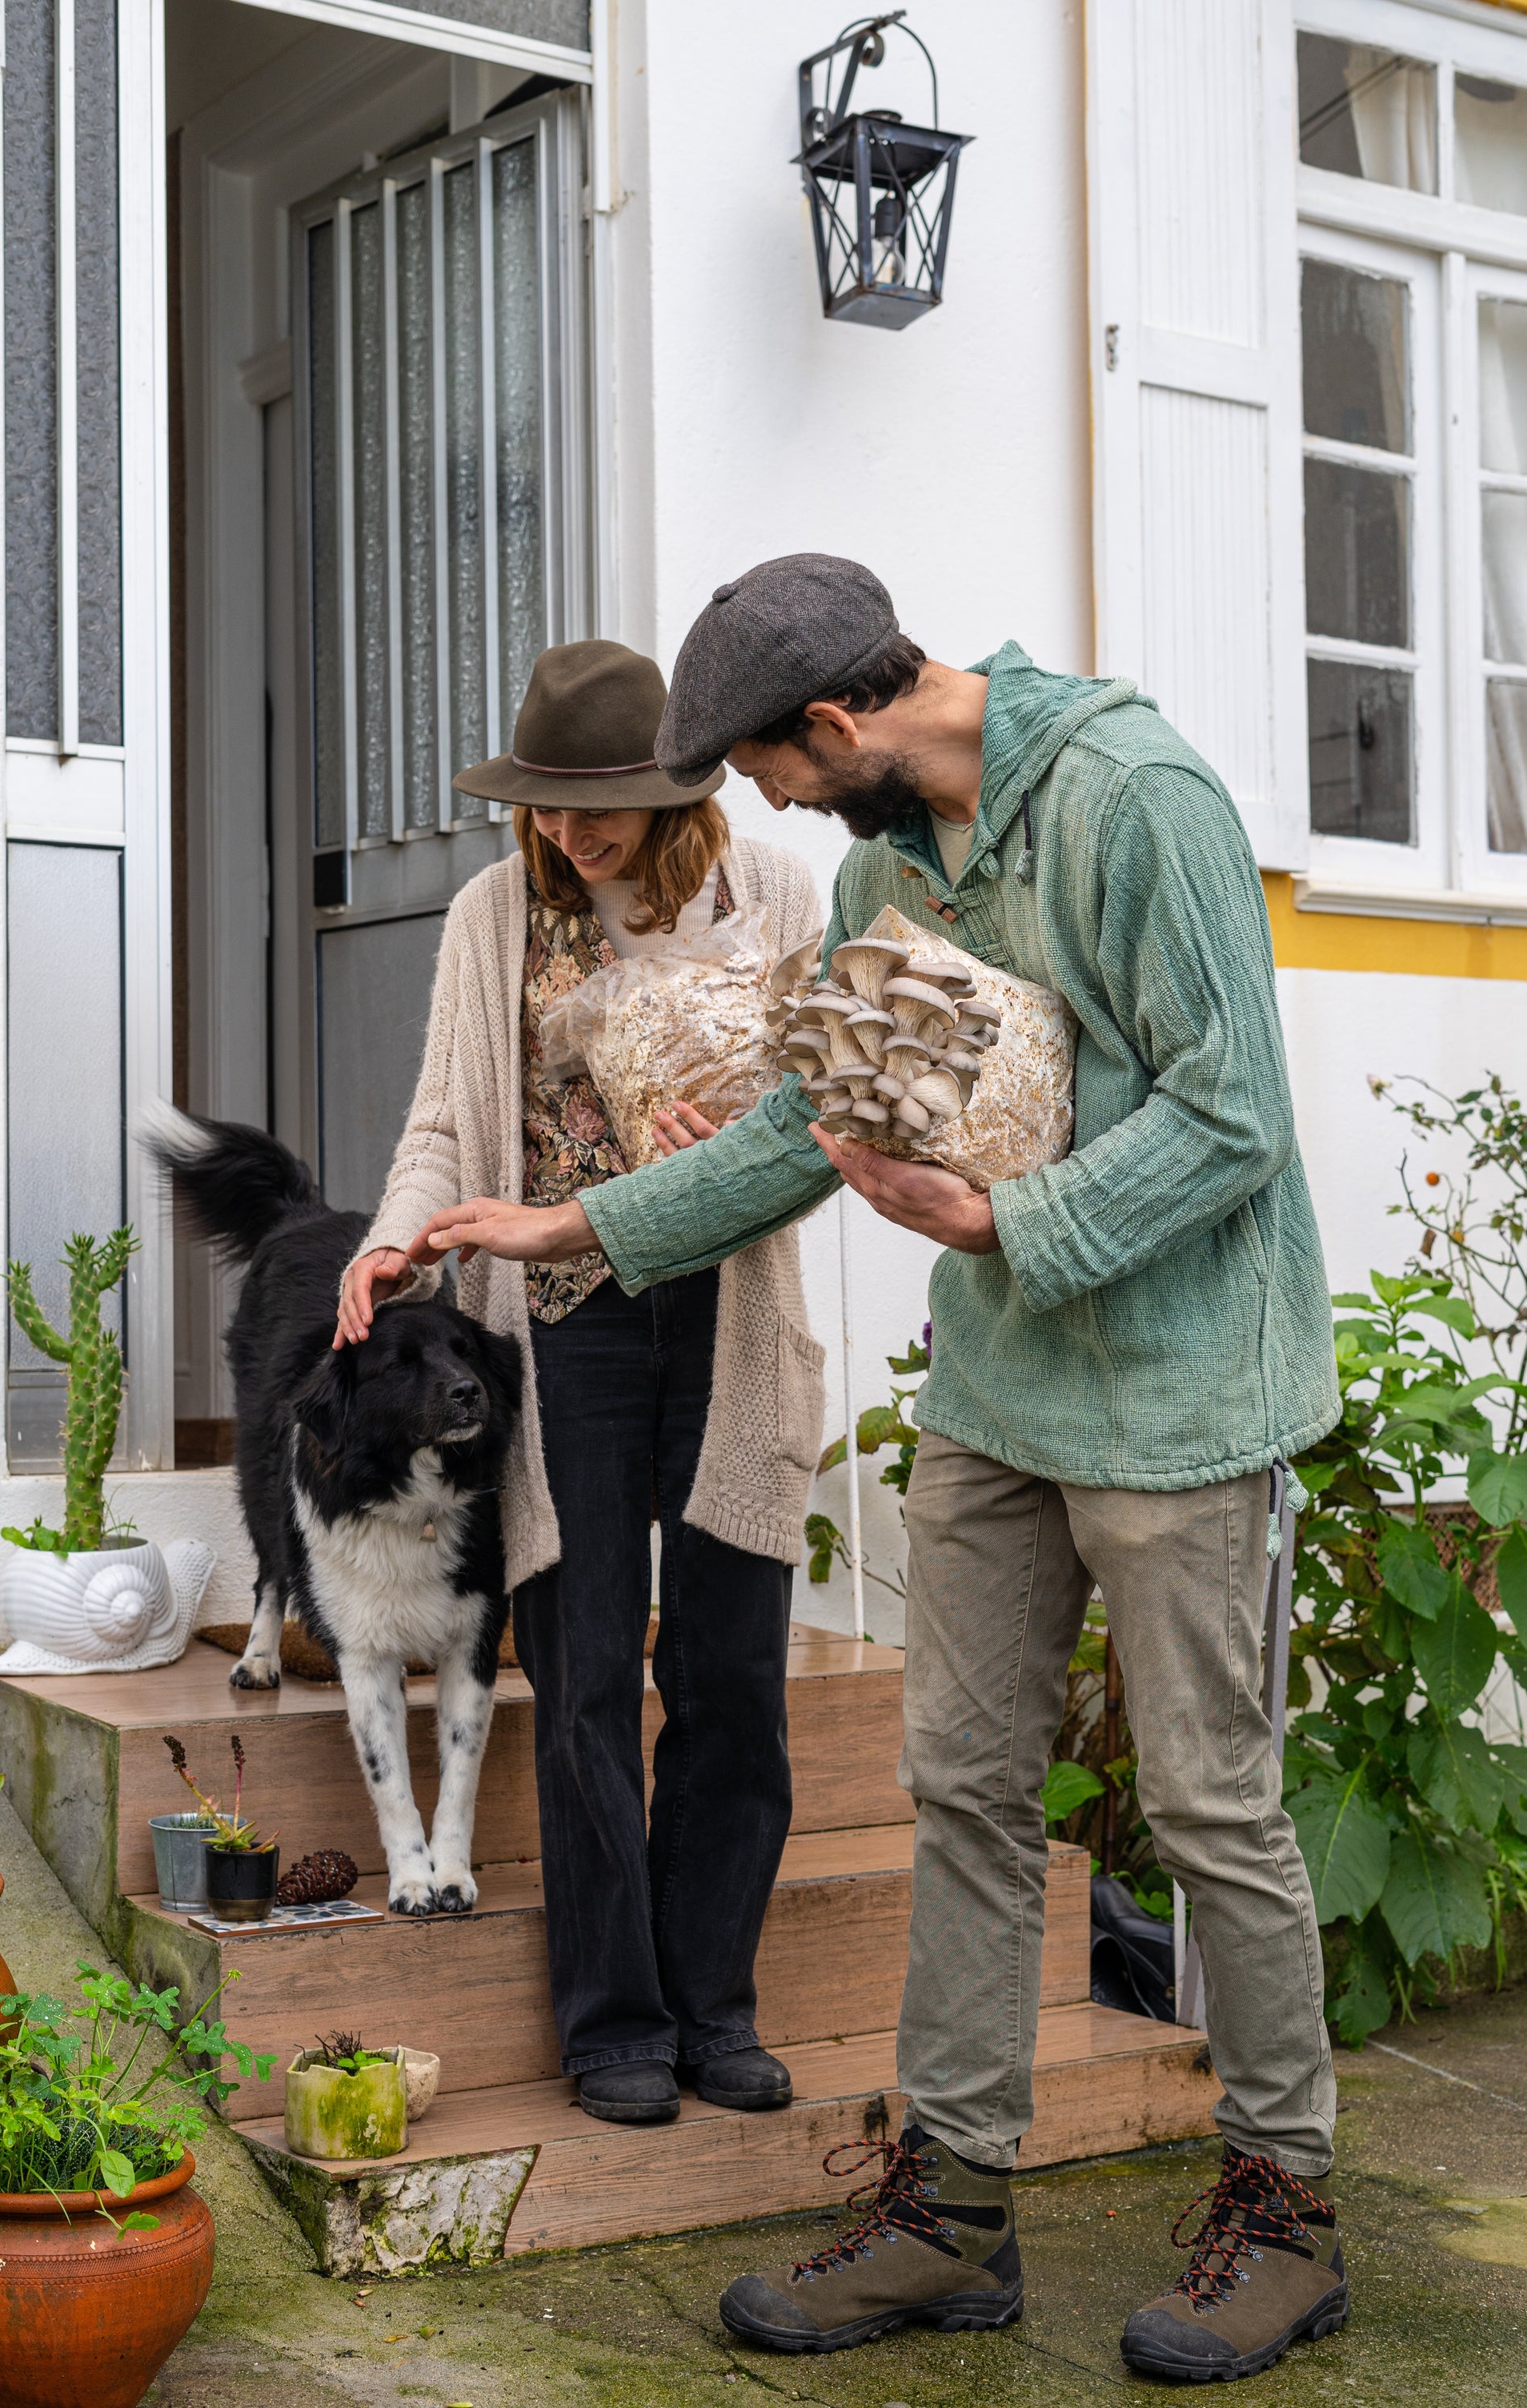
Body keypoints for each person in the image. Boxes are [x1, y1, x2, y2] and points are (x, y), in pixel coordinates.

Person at [411, 559, 1347, 2383]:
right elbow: (803, 1129)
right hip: (1002, 1399)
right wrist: (569, 1223)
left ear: (835, 725)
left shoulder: (1134, 802)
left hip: (1177, 1397)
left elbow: (1232, 1110)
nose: (748, 805)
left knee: (1215, 1806)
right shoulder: (884, 867)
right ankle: (954, 2212)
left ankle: (1288, 2206)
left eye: (760, 765)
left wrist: (1006, 1213)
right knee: (966, 1793)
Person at [335, 637, 826, 2128]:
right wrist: (395, 1240)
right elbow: (442, 1122)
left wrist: (725, 1162)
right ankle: (614, 2021)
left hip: (730, 1323)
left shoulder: (784, 897)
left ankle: (714, 2006)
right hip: (559, 1336)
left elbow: (828, 1132)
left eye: (600, 803)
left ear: (674, 786)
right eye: (547, 806)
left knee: (732, 1680)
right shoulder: (494, 917)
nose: (571, 833)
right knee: (586, 1677)